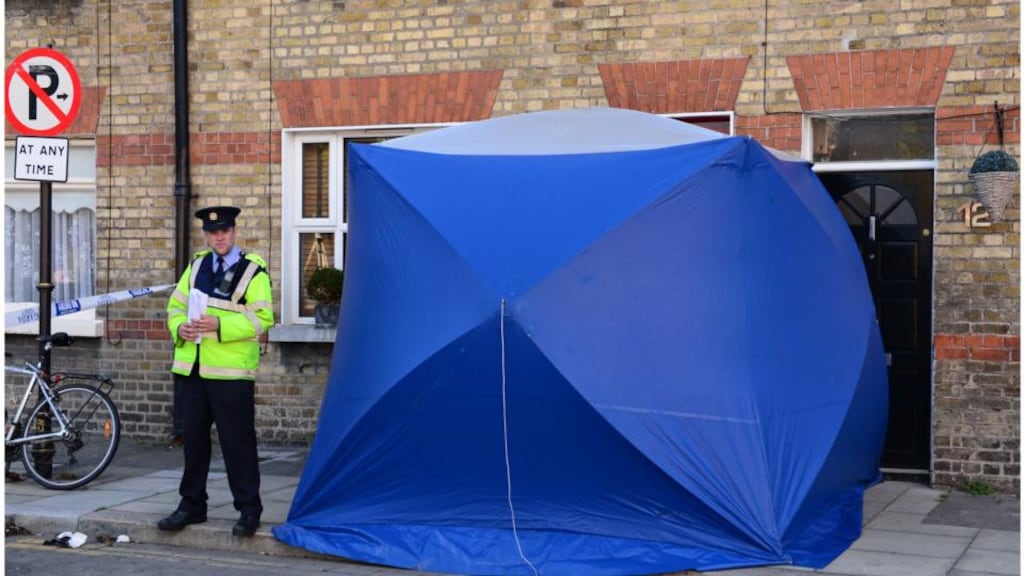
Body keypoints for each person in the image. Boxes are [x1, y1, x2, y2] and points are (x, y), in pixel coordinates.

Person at [158, 205, 274, 537]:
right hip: (192, 370)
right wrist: (179, 328)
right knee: (193, 442)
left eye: (224, 231)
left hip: (231, 373)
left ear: (234, 232)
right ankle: (192, 505)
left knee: (238, 443)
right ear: (206, 235)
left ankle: (249, 510)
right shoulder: (196, 266)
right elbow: (175, 307)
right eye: (213, 232)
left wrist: (219, 324)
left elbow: (263, 318)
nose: (219, 237)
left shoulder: (254, 270)